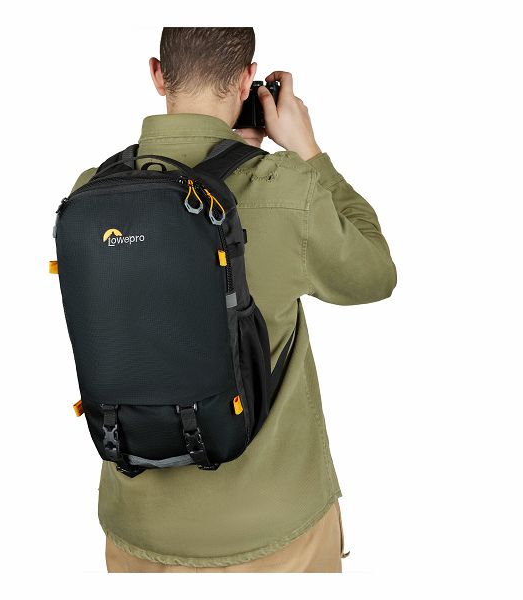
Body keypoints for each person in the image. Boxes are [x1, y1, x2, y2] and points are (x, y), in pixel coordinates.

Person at [70, 27, 397, 573]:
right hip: (271, 533)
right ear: (248, 80)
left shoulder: (90, 192)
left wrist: (234, 160)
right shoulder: (285, 189)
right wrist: (308, 152)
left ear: (158, 75)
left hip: (135, 534)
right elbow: (375, 274)